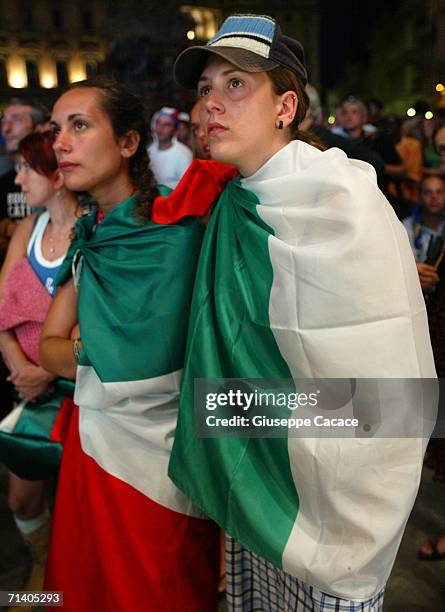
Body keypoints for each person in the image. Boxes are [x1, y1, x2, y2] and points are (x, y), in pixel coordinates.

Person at [168, 14, 436, 611]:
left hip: (327, 499)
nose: (211, 103)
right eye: (205, 88)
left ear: (286, 106)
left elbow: (392, 398)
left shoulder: (344, 199)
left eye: (236, 85)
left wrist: (239, 413)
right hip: (256, 480)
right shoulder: (233, 200)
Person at [39, 77, 228, 612]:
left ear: (127, 143)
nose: (59, 143)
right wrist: (88, 352)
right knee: (85, 586)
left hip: (168, 457)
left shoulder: (182, 229)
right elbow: (48, 349)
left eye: (79, 126)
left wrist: (87, 349)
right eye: (56, 129)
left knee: (161, 590)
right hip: (93, 448)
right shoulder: (90, 236)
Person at [0, 131, 78, 601]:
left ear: (56, 173)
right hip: (27, 388)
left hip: (78, 390)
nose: (18, 177)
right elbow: (2, 307)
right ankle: (43, 572)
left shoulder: (95, 227)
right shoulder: (29, 229)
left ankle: (71, 588)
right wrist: (20, 369)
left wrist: (46, 370)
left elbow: (99, 323)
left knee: (77, 504)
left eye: (28, 168)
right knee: (22, 498)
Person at [148, 106, 192, 188]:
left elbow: (188, 188)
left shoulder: (183, 155)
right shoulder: (149, 151)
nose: (160, 128)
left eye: (166, 125)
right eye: (158, 123)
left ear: (175, 130)